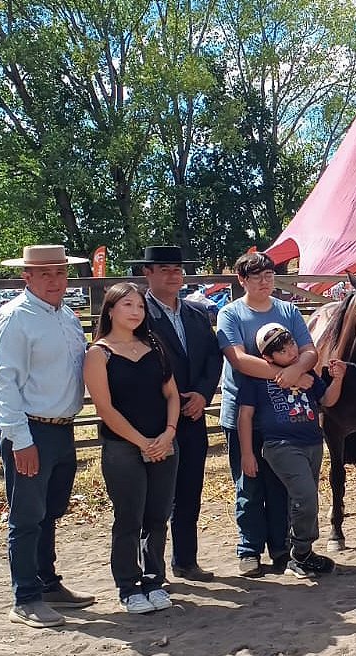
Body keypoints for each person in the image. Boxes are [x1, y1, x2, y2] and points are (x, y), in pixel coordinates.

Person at [0, 245, 94, 628]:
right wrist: (20, 439)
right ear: (27, 277)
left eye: (60, 272)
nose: (55, 280)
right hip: (30, 427)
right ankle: (25, 597)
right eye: (45, 273)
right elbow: (3, 382)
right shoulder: (14, 318)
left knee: (49, 511)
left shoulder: (66, 316)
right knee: (27, 516)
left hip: (60, 426)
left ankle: (46, 583)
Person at [216, 252, 318, 576]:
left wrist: (298, 369)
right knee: (248, 483)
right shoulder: (230, 313)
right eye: (256, 276)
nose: (264, 281)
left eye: (269, 275)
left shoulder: (288, 311)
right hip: (243, 411)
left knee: (280, 485)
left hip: (284, 415)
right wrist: (286, 375)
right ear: (242, 280)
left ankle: (280, 547)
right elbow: (238, 359)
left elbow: (309, 350)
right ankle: (249, 549)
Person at [84, 282, 180, 614]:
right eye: (127, 305)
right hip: (123, 448)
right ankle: (128, 585)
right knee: (129, 517)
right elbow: (105, 408)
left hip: (163, 443)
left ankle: (154, 579)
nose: (136, 312)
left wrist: (168, 433)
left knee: (158, 516)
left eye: (140, 306)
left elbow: (172, 394)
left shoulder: (154, 346)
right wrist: (142, 443)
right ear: (110, 310)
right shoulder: (98, 354)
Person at [131, 246, 223, 582]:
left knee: (189, 491)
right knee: (155, 497)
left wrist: (202, 393)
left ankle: (185, 559)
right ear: (148, 273)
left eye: (177, 269)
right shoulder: (138, 315)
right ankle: (151, 568)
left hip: (193, 415)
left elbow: (213, 357)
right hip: (155, 417)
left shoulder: (196, 314)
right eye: (165, 269)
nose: (173, 275)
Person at [236, 323, 343, 579]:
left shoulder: (307, 373)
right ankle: (299, 552)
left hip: (312, 443)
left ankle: (303, 552)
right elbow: (245, 416)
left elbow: (327, 399)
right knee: (305, 497)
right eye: (283, 351)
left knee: (304, 498)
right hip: (280, 445)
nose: (292, 352)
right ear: (268, 358)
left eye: (292, 344)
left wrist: (338, 378)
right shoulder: (256, 379)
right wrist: (247, 454)